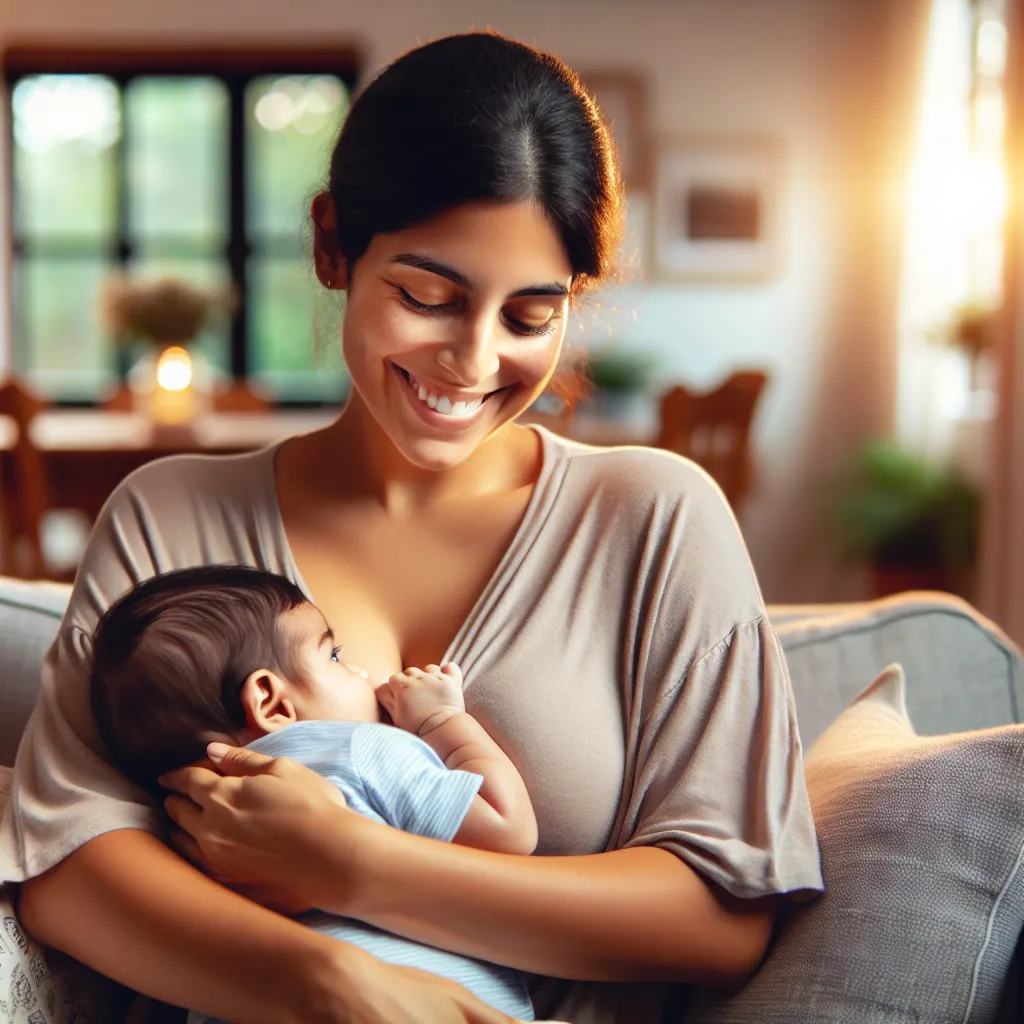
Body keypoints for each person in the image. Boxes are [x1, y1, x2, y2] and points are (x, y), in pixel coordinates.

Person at [4, 30, 823, 1024]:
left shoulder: (655, 518)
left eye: (529, 317)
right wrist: (333, 985)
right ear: (332, 245)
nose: (471, 362)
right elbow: (68, 863)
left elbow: (716, 920)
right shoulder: (168, 515)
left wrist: (353, 864)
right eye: (427, 297)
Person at [88, 563, 560, 1023]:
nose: (359, 671)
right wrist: (440, 721)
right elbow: (506, 827)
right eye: (334, 657)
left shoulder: (185, 834)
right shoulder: (358, 748)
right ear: (272, 703)